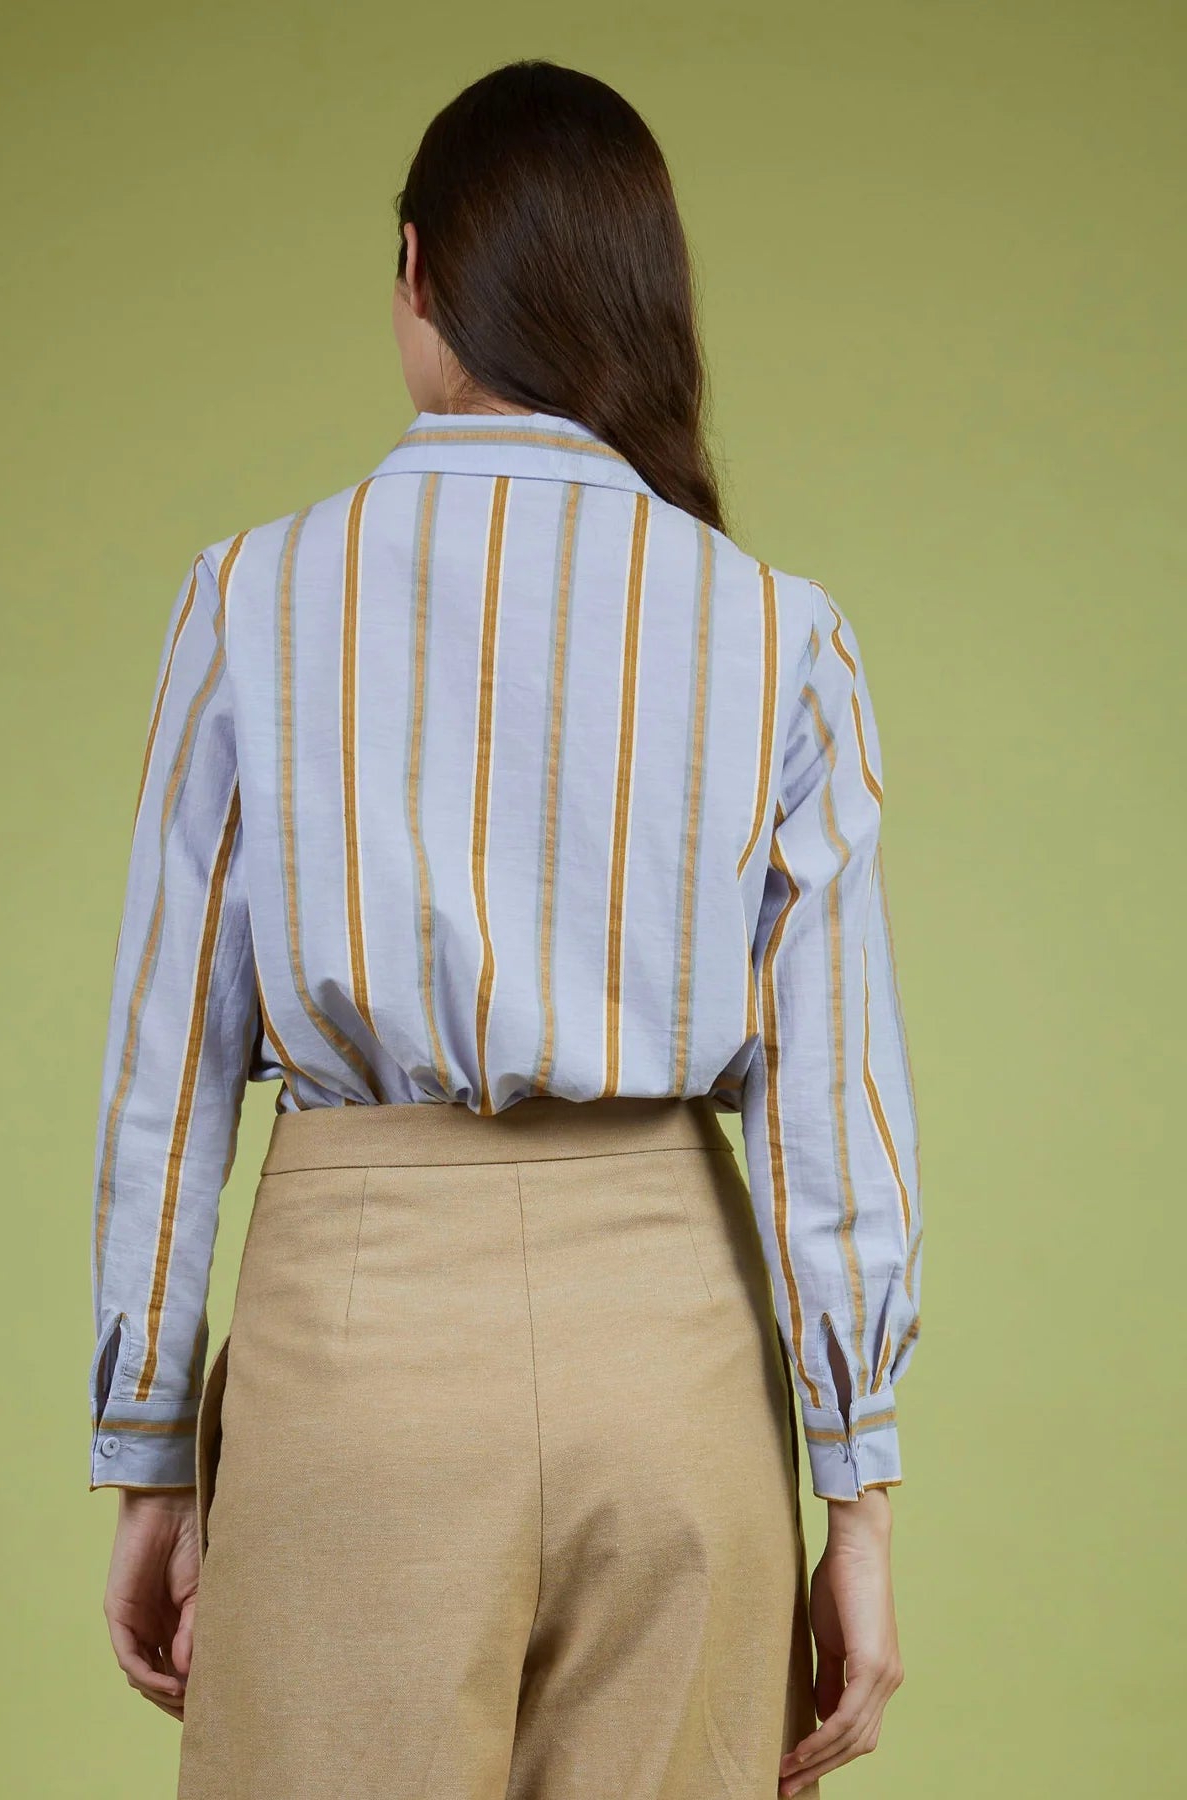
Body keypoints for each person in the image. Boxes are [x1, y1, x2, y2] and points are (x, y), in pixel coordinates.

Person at [88, 57, 923, 1800]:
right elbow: (832, 1103)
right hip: (675, 1363)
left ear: (416, 273)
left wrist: (149, 1448)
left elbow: (169, 1077)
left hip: (354, 1367)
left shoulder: (251, 599)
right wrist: (859, 1493)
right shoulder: (783, 635)